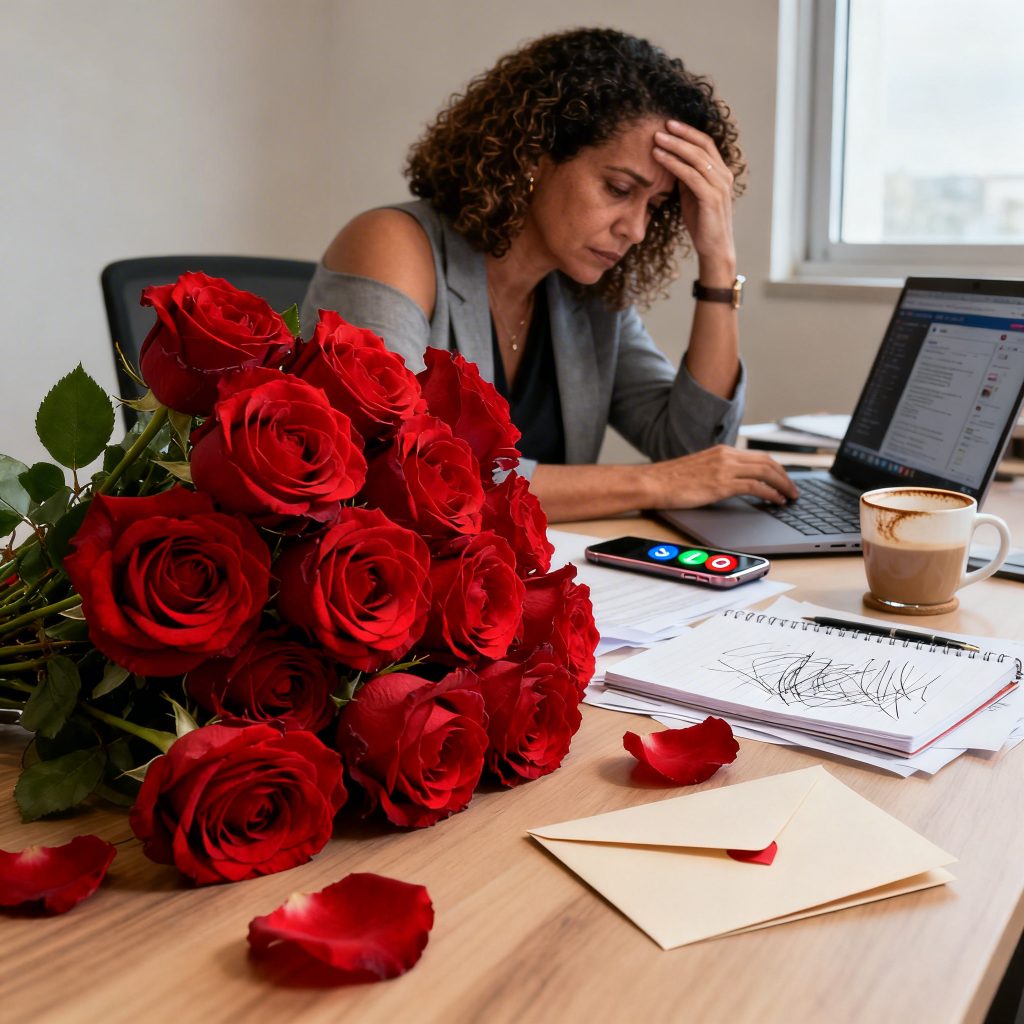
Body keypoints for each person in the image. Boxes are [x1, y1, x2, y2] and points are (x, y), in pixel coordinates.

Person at [301, 27, 798, 522]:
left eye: (657, 205)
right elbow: (392, 467)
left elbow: (693, 448)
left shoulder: (590, 296)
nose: (637, 230)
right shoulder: (393, 244)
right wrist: (653, 481)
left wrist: (719, 260)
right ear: (534, 157)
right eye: (619, 188)